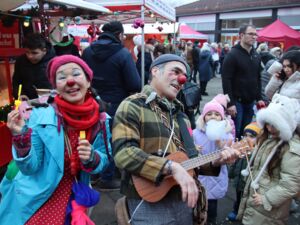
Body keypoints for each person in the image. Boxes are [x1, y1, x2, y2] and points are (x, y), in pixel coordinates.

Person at [112, 54, 239, 225]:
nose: (181, 79)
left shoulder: (182, 117)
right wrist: (170, 168)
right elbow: (123, 153)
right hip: (148, 202)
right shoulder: (133, 106)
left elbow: (191, 161)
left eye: (184, 75)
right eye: (175, 71)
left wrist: (217, 162)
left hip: (183, 201)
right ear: (155, 71)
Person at [0, 55, 112, 224]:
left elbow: (103, 162)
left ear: (88, 81)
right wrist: (20, 137)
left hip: (75, 198)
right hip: (39, 198)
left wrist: (91, 157)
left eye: (76, 74)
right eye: (62, 77)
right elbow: (30, 168)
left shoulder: (101, 120)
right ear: (55, 87)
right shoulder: (40, 117)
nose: (70, 81)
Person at [82, 21, 141, 189]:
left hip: (90, 102)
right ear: (118, 34)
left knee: (91, 137)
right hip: (115, 104)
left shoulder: (87, 52)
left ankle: (92, 174)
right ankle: (107, 177)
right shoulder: (122, 54)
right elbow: (135, 84)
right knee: (111, 139)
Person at [237, 93, 300, 225]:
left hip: (269, 208)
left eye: (275, 125)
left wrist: (267, 199)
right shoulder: (269, 139)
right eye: (267, 124)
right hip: (256, 202)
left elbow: (291, 184)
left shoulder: (292, 149)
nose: (269, 128)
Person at [193, 100, 234, 225]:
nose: (213, 117)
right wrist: (194, 148)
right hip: (199, 174)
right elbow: (188, 148)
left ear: (222, 118)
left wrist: (221, 144)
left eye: (217, 114)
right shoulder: (195, 133)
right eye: (209, 114)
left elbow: (229, 156)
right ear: (203, 117)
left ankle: (211, 221)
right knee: (195, 202)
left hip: (215, 176)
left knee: (211, 205)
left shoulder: (227, 136)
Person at [222, 24, 264, 138]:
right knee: (235, 132)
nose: (254, 37)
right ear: (241, 35)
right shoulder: (232, 55)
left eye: (256, 34)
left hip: (250, 102)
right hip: (237, 102)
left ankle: (242, 155)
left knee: (246, 132)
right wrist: (230, 103)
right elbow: (226, 80)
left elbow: (257, 78)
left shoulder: (256, 55)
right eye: (251, 34)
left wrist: (259, 97)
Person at [227, 122, 261, 221]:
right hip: (239, 180)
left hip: (248, 183)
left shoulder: (258, 153)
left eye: (252, 136)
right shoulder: (241, 148)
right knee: (238, 198)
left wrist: (251, 153)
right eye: (245, 135)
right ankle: (236, 210)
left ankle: (245, 215)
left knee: (246, 200)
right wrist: (231, 173)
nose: (247, 138)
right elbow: (235, 162)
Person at [12, 33, 56, 100]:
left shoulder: (55, 62)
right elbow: (16, 81)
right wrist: (20, 94)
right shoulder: (20, 61)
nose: (29, 56)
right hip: (27, 101)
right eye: (27, 52)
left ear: (44, 50)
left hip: (51, 101)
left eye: (34, 53)